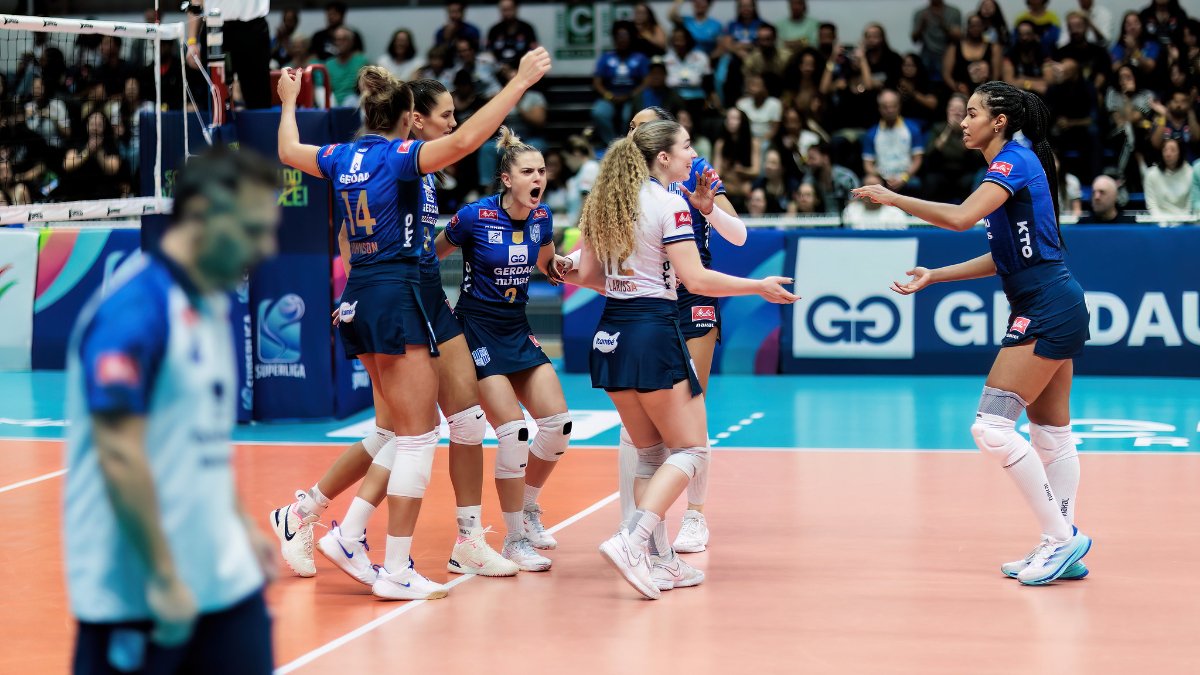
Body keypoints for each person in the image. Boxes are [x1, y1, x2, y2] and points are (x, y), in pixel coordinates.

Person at [271, 49, 553, 597]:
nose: (452, 120)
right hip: (397, 295)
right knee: (406, 432)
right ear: (411, 119)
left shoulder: (346, 156)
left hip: (413, 295)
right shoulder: (403, 157)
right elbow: (468, 140)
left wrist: (287, 103)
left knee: (455, 419)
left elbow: (290, 153)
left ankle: (451, 536)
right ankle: (335, 527)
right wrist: (518, 83)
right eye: (443, 113)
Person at [852, 80, 1093, 586]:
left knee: (991, 427)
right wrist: (936, 275)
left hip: (1047, 306)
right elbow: (1003, 259)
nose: (963, 122)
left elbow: (960, 218)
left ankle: (1063, 539)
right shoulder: (1008, 169)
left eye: (973, 113)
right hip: (1050, 300)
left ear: (999, 122)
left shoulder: (1013, 161)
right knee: (1051, 436)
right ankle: (1059, 542)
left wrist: (891, 196)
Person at [65, 147, 280, 673]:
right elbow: (118, 452)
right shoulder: (134, 310)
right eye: (253, 230)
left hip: (223, 581)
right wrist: (162, 576)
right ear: (203, 213)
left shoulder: (211, 302)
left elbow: (197, 438)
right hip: (143, 597)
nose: (267, 248)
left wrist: (241, 525)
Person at [564, 119, 796, 599]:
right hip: (654, 331)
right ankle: (633, 539)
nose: (694, 154)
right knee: (691, 449)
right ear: (663, 157)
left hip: (610, 333)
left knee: (649, 451)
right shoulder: (669, 203)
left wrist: (628, 283)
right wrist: (759, 286)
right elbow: (697, 280)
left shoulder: (608, 201)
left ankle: (660, 559)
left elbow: (585, 275)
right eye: (687, 146)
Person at [435, 128, 572, 571]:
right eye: (528, 171)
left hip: (517, 326)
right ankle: (513, 541)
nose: (538, 178)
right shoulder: (474, 216)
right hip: (477, 329)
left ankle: (528, 509)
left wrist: (558, 267)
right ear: (506, 179)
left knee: (558, 423)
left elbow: (546, 262)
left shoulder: (542, 217)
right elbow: (428, 256)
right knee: (513, 431)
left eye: (542, 170)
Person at [183, 0, 273, 109]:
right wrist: (192, 41)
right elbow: (196, 2)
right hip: (215, 27)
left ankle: (261, 124)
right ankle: (215, 124)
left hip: (253, 27)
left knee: (259, 97)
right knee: (214, 98)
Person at [911, 0, 963, 82]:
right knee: (924, 84)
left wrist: (943, 23)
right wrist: (922, 25)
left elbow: (959, 38)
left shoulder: (954, 12)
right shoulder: (920, 13)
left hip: (948, 54)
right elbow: (914, 39)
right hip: (927, 55)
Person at [1142, 137, 1194, 217]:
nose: (1168, 154)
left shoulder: (1190, 173)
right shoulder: (1151, 174)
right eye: (1165, 150)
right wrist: (1161, 223)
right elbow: (1152, 205)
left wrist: (1182, 222)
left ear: (1180, 153)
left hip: (1184, 222)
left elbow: (1190, 204)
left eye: (1173, 150)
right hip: (1159, 222)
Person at [487, 0, 539, 74]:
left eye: (509, 9)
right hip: (500, 71)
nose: (507, 13)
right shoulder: (494, 30)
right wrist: (502, 68)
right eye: (504, 10)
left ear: (516, 8)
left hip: (523, 70)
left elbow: (534, 52)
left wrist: (520, 70)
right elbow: (489, 54)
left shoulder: (527, 28)